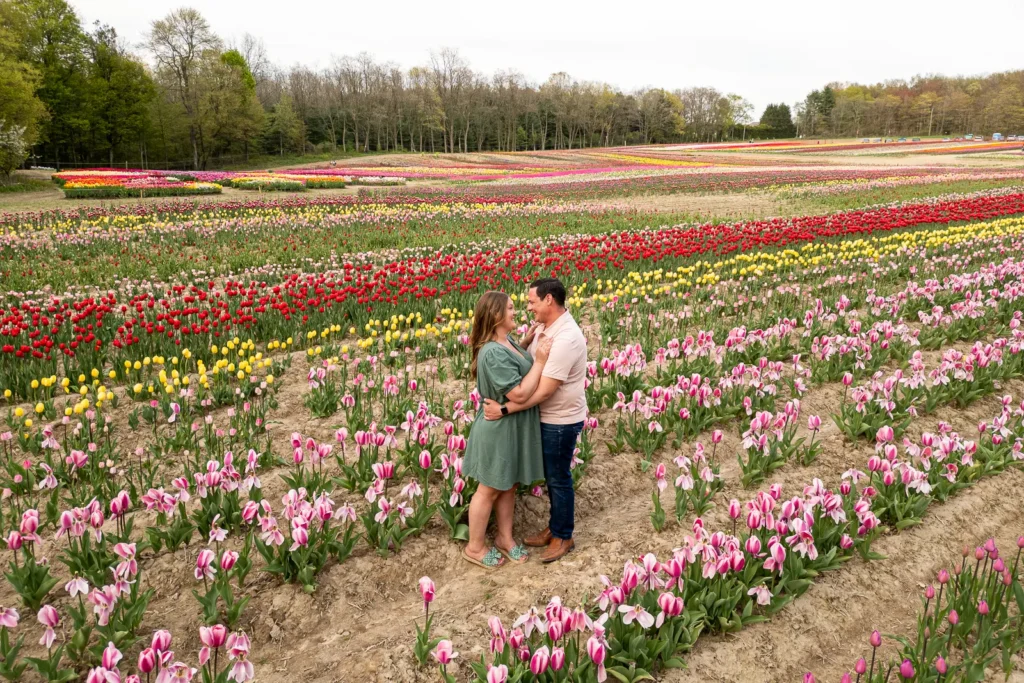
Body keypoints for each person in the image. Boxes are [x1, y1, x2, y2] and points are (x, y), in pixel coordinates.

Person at [484, 278, 587, 563]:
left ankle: (563, 535)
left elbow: (544, 391)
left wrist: (505, 410)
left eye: (531, 302)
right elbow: (529, 362)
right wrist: (527, 341)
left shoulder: (565, 338)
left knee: (558, 478)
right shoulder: (545, 327)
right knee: (553, 476)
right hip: (547, 417)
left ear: (549, 300)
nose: (528, 308)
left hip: (560, 419)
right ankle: (555, 528)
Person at [462, 291, 552, 570]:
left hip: (511, 428)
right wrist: (539, 361)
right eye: (511, 308)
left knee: (508, 484)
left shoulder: (506, 341)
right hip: (498, 429)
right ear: (497, 315)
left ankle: (504, 537)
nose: (517, 311)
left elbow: (515, 361)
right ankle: (474, 547)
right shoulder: (491, 353)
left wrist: (525, 343)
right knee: (488, 489)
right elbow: (520, 394)